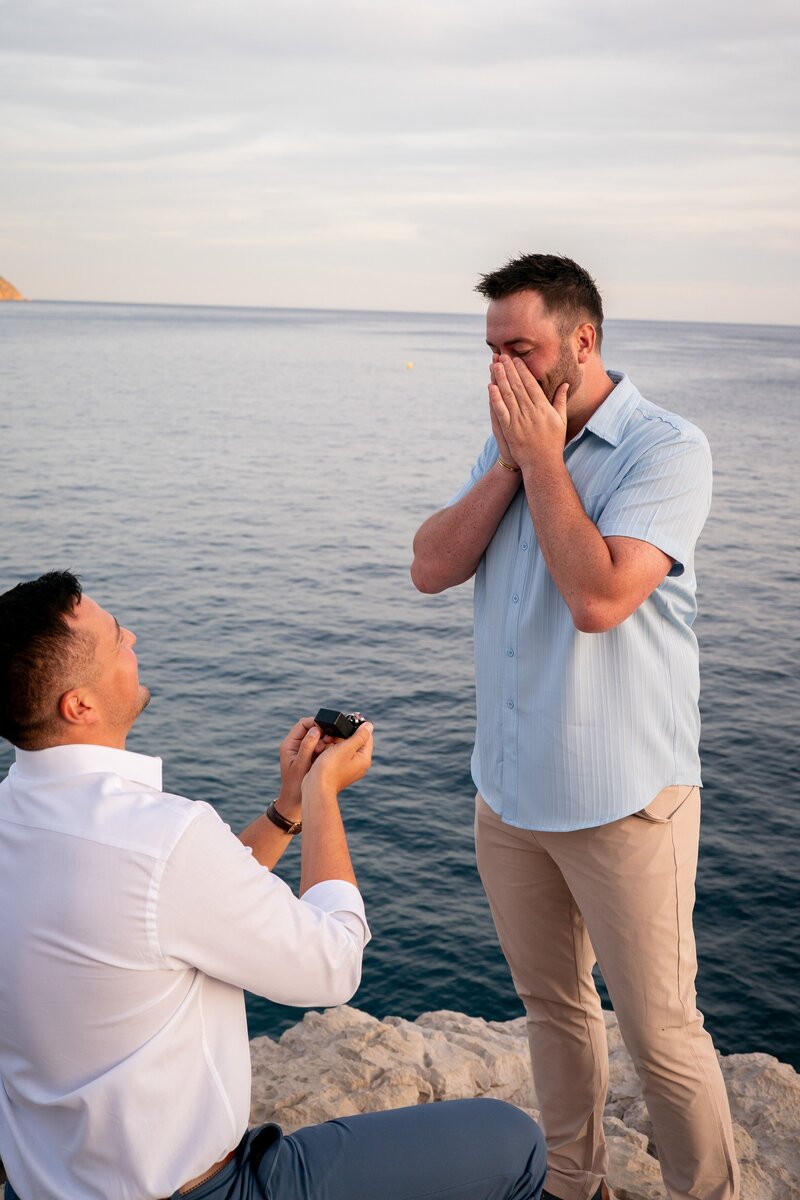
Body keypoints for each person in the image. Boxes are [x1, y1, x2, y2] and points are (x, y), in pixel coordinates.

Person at [0, 570, 547, 1200]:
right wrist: (324, 797)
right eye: (118, 637)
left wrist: (287, 809)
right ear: (80, 705)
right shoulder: (163, 836)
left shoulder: (21, 818)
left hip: (40, 1187)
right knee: (515, 1144)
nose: (135, 637)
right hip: (199, 1193)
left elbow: (167, 904)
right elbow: (333, 965)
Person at [411, 254, 739, 1200]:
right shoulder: (512, 442)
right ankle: (571, 1183)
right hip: (510, 797)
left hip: (625, 801)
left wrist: (543, 462)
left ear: (582, 341)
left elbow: (599, 597)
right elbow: (431, 566)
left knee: (663, 1034)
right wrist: (512, 463)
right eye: (490, 352)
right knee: (553, 1011)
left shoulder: (666, 449)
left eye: (521, 348)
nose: (500, 372)